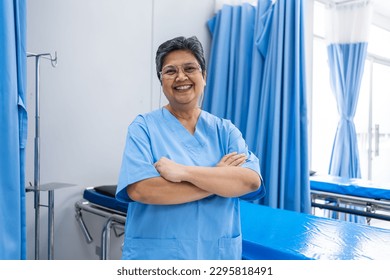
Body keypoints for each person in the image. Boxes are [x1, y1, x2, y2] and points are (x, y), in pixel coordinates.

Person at [116, 36, 264, 260]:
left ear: (203, 77)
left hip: (216, 254)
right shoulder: (143, 127)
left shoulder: (225, 130)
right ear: (161, 80)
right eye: (170, 71)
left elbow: (250, 181)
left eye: (190, 68)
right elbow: (142, 190)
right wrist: (220, 178)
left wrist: (183, 173)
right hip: (158, 257)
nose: (181, 77)